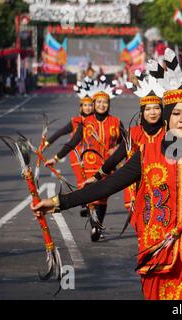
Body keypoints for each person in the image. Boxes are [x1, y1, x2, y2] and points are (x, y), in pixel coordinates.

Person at [31, 39, 182, 300]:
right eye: (176, 113)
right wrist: (56, 203)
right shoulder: (148, 153)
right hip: (157, 252)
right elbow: (107, 186)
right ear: (168, 118)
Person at [45, 76, 124, 241]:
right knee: (92, 196)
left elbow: (127, 142)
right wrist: (56, 158)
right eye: (99, 102)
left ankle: (98, 225)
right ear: (94, 105)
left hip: (108, 166)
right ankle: (94, 224)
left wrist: (117, 150)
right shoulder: (86, 122)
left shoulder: (116, 122)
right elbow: (72, 143)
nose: (102, 105)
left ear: (109, 104)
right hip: (89, 165)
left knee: (103, 197)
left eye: (105, 102)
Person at [84, 70, 165, 216]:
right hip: (136, 187)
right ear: (142, 112)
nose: (152, 112)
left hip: (163, 188)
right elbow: (116, 158)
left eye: (156, 108)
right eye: (148, 109)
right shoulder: (133, 133)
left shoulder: (169, 134)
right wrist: (96, 177)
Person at [43, 78, 94, 217]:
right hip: (76, 154)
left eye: (90, 105)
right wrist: (46, 144)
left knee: (93, 180)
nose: (88, 108)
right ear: (81, 107)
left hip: (93, 155)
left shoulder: (97, 121)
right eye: (85, 105)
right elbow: (60, 132)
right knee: (81, 180)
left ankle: (91, 203)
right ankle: (85, 204)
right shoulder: (75, 121)